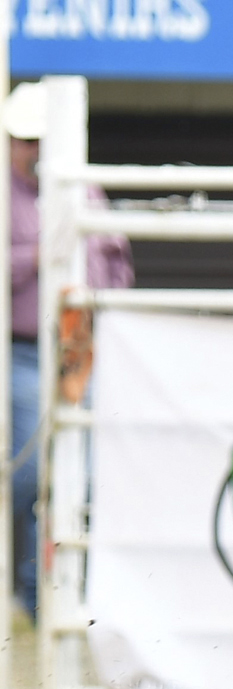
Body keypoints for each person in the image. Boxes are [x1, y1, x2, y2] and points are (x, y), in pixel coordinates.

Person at [7, 81, 132, 622]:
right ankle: (34, 592)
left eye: (41, 139)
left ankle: (81, 591)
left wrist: (112, 314)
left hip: (79, 346)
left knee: (91, 471)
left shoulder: (84, 190)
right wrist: (38, 254)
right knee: (31, 475)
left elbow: (116, 261)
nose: (34, 152)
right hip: (23, 349)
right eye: (25, 140)